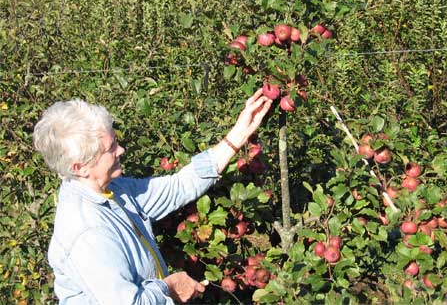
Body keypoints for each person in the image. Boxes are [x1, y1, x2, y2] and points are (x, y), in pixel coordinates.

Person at [33, 89, 272, 304]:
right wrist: (168, 287)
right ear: (80, 167)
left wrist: (239, 133)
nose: (121, 150)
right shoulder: (87, 232)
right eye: (111, 148)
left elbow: (178, 187)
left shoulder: (116, 190)